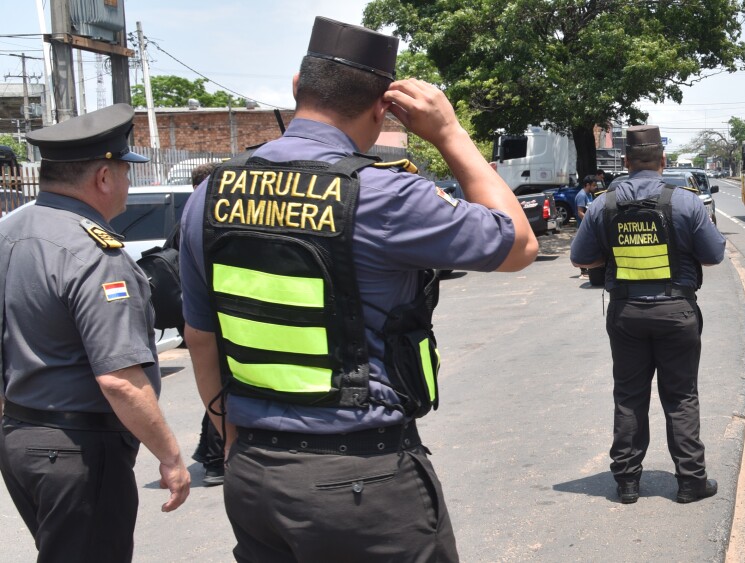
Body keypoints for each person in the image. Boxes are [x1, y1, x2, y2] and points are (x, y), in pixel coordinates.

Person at [179, 17, 537, 561]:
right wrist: (449, 133)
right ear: (383, 107)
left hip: (255, 475)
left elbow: (200, 337)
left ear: (298, 86)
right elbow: (518, 246)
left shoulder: (210, 195)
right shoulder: (384, 195)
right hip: (359, 482)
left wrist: (231, 442)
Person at [0, 103, 191, 562]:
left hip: (21, 438)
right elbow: (119, 379)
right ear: (103, 177)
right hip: (79, 451)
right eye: (126, 170)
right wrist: (169, 455)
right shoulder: (95, 254)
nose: (129, 181)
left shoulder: (10, 231)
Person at [570, 125, 726, 505]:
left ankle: (626, 482)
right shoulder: (686, 202)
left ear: (625, 162)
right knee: (681, 397)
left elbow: (581, 258)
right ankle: (691, 481)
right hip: (677, 313)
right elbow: (714, 255)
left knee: (629, 396)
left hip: (626, 314)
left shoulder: (603, 204)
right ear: (663, 161)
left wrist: (612, 253)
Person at [187, 161, 225, 486]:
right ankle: (215, 457)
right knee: (218, 388)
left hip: (203, 318)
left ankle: (211, 453)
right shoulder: (203, 217)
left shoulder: (190, 216)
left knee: (213, 392)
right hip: (212, 322)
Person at [575, 175, 599, 278]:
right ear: (587, 185)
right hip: (583, 227)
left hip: (590, 227)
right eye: (593, 185)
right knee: (584, 248)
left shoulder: (589, 194)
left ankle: (588, 269)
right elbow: (580, 212)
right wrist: (589, 222)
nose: (595, 187)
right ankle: (583, 272)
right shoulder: (582, 195)